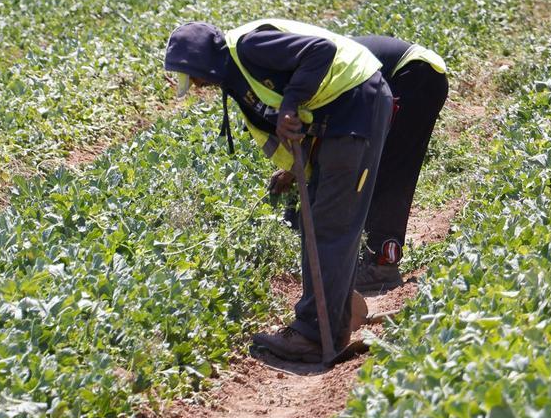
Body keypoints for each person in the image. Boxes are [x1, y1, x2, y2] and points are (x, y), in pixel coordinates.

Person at [164, 19, 392, 363]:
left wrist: (290, 104)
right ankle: (328, 324)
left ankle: (315, 335)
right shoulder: (234, 79)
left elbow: (321, 51)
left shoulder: (247, 47)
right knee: (317, 220)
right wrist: (290, 168)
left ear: (201, 59)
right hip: (338, 118)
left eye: (191, 76)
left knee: (331, 226)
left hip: (358, 106)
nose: (195, 85)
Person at [269, 35, 447, 292]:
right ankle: (374, 258)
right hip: (417, 74)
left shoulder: (313, 73)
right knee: (374, 165)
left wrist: (293, 170)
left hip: (413, 75)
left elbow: (328, 133)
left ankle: (382, 265)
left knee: (390, 170)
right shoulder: (310, 66)